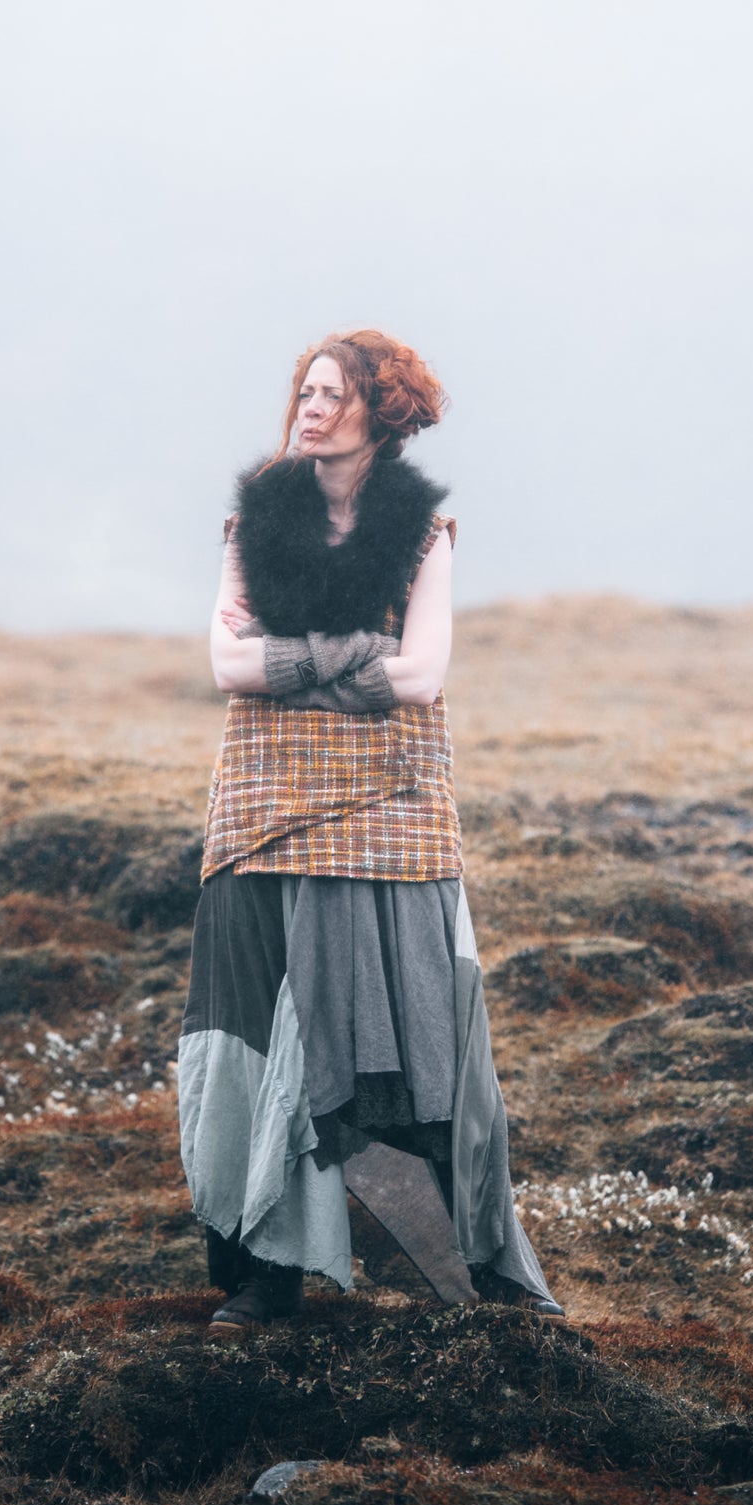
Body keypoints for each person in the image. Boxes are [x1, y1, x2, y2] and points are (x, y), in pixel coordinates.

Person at [176, 327, 562, 1333]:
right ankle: (264, 1272)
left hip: (393, 815)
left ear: (378, 412)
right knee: (253, 1036)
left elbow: (422, 676)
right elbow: (226, 666)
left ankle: (471, 1266)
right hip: (259, 813)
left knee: (419, 1039)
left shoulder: (423, 536)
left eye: (330, 393)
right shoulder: (252, 526)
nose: (307, 409)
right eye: (303, 392)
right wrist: (355, 655)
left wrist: (290, 660)